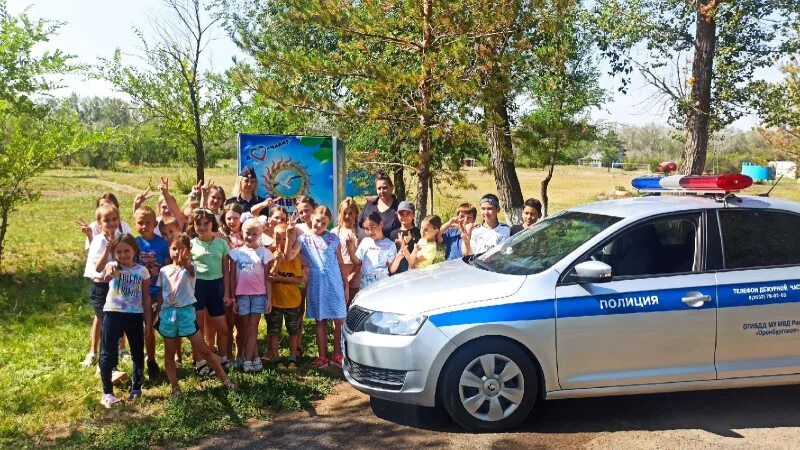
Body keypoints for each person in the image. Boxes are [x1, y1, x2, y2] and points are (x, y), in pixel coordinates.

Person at [157, 233, 236, 396]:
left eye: (182, 249)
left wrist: (185, 261)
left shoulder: (191, 268)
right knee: (169, 353)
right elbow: (160, 294)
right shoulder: (163, 270)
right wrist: (156, 313)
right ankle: (175, 387)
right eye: (174, 249)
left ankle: (225, 379)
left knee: (205, 350)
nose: (178, 253)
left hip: (186, 314)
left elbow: (190, 270)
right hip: (168, 315)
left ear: (189, 251)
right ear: (169, 250)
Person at [97, 234, 152, 408]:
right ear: (114, 253)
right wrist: (110, 271)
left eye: (126, 250)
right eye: (118, 252)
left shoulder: (142, 271)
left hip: (135, 315)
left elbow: (146, 298)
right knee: (108, 352)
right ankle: (107, 393)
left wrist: (148, 321)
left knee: (137, 352)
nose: (123, 255)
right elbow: (105, 271)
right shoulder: (113, 265)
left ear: (134, 250)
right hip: (113, 313)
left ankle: (136, 389)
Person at [291, 206, 347, 368]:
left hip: (335, 282)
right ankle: (322, 356)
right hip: (316, 284)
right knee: (320, 321)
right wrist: (289, 235)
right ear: (311, 218)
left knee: (340, 320)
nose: (319, 225)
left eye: (324, 222)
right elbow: (290, 255)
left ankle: (337, 354)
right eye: (317, 221)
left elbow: (341, 262)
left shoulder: (334, 239)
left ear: (328, 223)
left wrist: (346, 285)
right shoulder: (304, 239)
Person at [81, 205, 129, 384]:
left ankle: (107, 367)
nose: (111, 223)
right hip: (101, 290)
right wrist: (109, 248)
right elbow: (98, 268)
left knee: (114, 329)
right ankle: (106, 368)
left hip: (115, 288)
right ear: (99, 223)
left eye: (114, 219)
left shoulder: (118, 238)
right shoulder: (100, 241)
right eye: (106, 220)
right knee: (109, 328)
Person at [226, 218, 274, 372]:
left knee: (253, 327)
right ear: (242, 232)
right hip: (242, 295)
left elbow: (268, 278)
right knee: (246, 328)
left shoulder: (264, 253)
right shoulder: (236, 253)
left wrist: (269, 299)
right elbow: (232, 277)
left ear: (260, 235)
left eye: (254, 234)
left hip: (259, 295)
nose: (250, 237)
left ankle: (247, 360)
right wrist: (233, 298)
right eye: (247, 233)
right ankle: (255, 357)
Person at [190, 208, 233, 373]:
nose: (202, 227)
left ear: (212, 224)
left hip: (216, 287)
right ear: (193, 226)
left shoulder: (221, 243)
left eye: (206, 223)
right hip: (197, 287)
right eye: (198, 224)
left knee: (222, 327)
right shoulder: (191, 244)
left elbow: (226, 271)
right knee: (198, 326)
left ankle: (223, 359)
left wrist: (228, 293)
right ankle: (199, 361)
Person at [132, 206, 170, 379]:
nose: (144, 226)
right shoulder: (134, 243)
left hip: (156, 293)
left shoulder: (162, 245)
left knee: (151, 327)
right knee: (138, 330)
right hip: (136, 293)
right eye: (140, 223)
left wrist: (165, 294)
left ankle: (155, 360)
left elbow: (168, 269)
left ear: (155, 223)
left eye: (148, 222)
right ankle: (142, 361)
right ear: (135, 224)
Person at [266, 223, 304, 371]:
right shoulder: (271, 256)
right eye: (278, 239)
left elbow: (298, 280)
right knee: (274, 331)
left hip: (292, 302)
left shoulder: (295, 259)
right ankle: (276, 357)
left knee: (293, 331)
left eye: (284, 239)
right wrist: (277, 262)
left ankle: (293, 356)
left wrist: (280, 279)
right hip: (275, 302)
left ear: (292, 240)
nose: (281, 242)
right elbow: (270, 276)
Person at [352, 212, 399, 290]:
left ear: (381, 224)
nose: (370, 232)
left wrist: (399, 256)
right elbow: (357, 261)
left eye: (372, 227)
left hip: (382, 282)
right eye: (366, 229)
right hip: (365, 282)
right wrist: (350, 248)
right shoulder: (365, 241)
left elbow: (391, 269)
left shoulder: (390, 244)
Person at [334, 198, 361, 304]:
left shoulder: (362, 233)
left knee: (352, 304)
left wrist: (351, 276)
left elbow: (362, 260)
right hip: (339, 272)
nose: (347, 216)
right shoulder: (334, 232)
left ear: (356, 214)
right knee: (338, 305)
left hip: (355, 273)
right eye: (344, 213)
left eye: (350, 213)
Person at [358, 171, 400, 238]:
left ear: (392, 188)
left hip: (392, 247)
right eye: (379, 188)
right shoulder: (369, 206)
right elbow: (359, 226)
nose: (381, 191)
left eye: (385, 188)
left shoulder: (399, 208)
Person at [388, 201, 420, 275]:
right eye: (401, 214)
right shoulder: (393, 234)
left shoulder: (418, 233)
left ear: (413, 215)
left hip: (413, 273)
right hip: (396, 273)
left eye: (408, 214)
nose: (404, 217)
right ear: (397, 215)